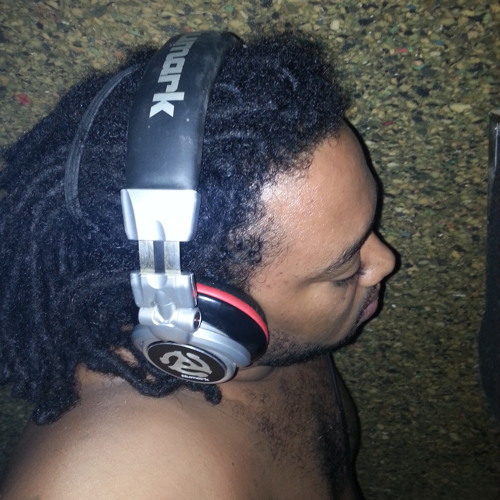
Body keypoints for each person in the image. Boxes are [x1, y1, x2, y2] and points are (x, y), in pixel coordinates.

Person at [0, 31, 395, 498]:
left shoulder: (276, 299)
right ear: (205, 314)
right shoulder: (115, 477)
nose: (385, 261)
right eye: (343, 271)